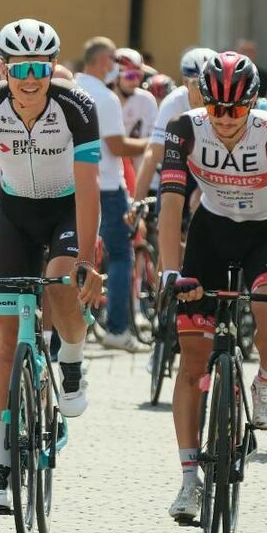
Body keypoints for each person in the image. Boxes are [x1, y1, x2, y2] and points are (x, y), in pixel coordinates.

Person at [0, 17, 104, 513]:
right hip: (15, 212)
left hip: (64, 209)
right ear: (4, 68)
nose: (30, 79)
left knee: (59, 285)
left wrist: (85, 258)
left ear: (52, 67)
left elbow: (90, 185)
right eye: (19, 68)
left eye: (39, 67)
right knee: (4, 340)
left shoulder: (77, 107)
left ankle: (71, 357)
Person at [157, 51, 267, 522]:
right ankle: (187, 482)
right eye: (216, 107)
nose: (224, 119)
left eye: (235, 109)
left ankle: (265, 381)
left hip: (263, 233)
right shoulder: (185, 127)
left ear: (252, 104)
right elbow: (172, 205)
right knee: (192, 360)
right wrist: (169, 271)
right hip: (211, 232)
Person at [76, 37, 150, 353]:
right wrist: (153, 145)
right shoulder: (105, 98)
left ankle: (66, 331)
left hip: (71, 185)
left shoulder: (71, 90)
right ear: (104, 60)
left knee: (71, 255)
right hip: (106, 185)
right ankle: (118, 329)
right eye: (113, 60)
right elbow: (116, 146)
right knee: (120, 255)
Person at [133, 47, 213, 204]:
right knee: (168, 202)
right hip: (185, 164)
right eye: (197, 84)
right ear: (185, 82)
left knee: (199, 203)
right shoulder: (174, 102)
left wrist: (202, 190)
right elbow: (153, 154)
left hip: (216, 168)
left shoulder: (221, 102)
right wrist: (137, 204)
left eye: (210, 84)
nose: (205, 92)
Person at [113, 47, 158, 176]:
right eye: (130, 75)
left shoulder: (147, 99)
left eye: (139, 75)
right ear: (115, 77)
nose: (136, 81)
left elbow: (155, 141)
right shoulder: (103, 100)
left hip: (140, 175)